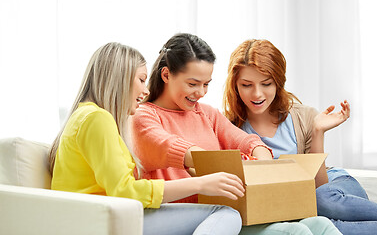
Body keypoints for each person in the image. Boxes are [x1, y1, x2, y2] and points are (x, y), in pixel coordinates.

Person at [131, 33, 342, 235]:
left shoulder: (207, 114)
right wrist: (218, 167)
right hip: (188, 216)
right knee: (296, 231)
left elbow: (246, 141)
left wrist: (262, 160)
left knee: (320, 224)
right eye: (193, 84)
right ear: (166, 75)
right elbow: (174, 147)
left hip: (228, 212)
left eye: (206, 84)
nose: (201, 93)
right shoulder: (144, 117)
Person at [223, 38, 377, 235]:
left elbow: (321, 187)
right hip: (298, 206)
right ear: (235, 85)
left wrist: (318, 132)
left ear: (278, 83)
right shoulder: (228, 129)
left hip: (335, 189)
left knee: (320, 200)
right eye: (246, 85)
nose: (257, 94)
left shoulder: (303, 116)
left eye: (266, 84)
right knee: (323, 227)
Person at [48, 42, 247, 235]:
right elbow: (125, 191)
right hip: (100, 222)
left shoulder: (85, 115)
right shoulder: (97, 118)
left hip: (95, 218)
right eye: (141, 80)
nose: (146, 90)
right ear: (120, 78)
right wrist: (201, 184)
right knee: (226, 214)